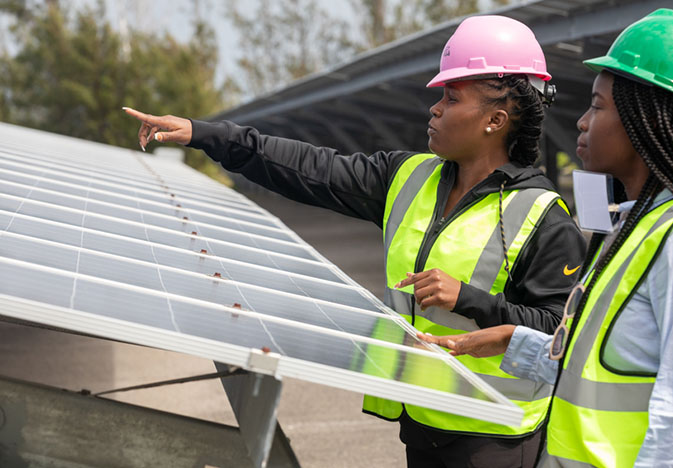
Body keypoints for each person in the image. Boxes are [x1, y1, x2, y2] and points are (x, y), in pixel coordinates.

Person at [125, 15, 586, 468]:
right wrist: (205, 134)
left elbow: (556, 332)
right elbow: (306, 166)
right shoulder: (407, 177)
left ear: (495, 119)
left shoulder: (544, 217)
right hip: (421, 417)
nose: (435, 109)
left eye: (450, 97)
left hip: (492, 437)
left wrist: (469, 300)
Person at [420, 9, 673, 468]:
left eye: (598, 107)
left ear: (647, 122)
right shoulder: (629, 230)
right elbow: (604, 366)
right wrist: (510, 341)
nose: (581, 121)